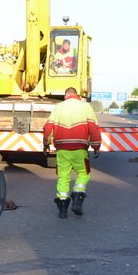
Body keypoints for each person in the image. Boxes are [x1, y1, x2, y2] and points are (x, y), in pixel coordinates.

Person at [42, 87, 101, 218]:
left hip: (62, 150)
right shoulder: (85, 107)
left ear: (65, 96)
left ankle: (62, 209)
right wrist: (96, 146)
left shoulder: (58, 107)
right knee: (83, 173)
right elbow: (94, 128)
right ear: (77, 95)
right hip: (80, 149)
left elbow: (48, 127)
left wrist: (46, 143)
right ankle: (78, 197)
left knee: (63, 177)